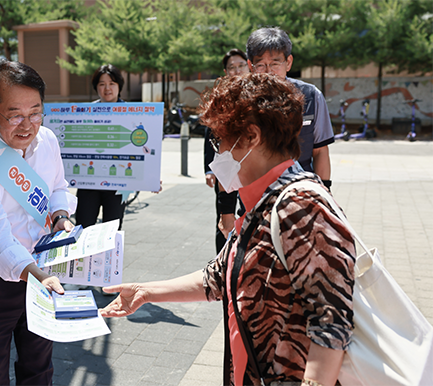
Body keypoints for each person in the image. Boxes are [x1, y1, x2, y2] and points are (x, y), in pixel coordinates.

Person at [101, 73, 355, 386]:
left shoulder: (302, 205)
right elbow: (219, 276)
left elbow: (332, 323)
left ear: (251, 136)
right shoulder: (262, 200)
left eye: (220, 140)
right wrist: (146, 292)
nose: (217, 153)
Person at [0, 59, 75, 386]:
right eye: (15, 115)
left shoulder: (47, 139)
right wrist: (37, 276)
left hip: (40, 264)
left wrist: (61, 216)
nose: (28, 125)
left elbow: (58, 187)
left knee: (39, 365)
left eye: (35, 112)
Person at [245, 27, 334, 184]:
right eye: (261, 65)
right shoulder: (242, 101)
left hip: (302, 190)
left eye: (275, 63)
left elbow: (320, 151)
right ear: (251, 66)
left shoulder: (312, 96)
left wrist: (325, 189)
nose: (268, 72)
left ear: (289, 63)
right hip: (257, 193)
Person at [204, 48, 250, 254]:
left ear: (249, 66)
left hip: (252, 168)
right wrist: (209, 169)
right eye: (232, 67)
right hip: (226, 168)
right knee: (225, 216)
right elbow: (211, 137)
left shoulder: (258, 95)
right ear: (225, 72)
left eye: (241, 65)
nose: (237, 70)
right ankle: (222, 262)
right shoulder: (220, 98)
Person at [75, 64, 127, 230]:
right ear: (96, 87)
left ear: (119, 86)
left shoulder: (135, 113)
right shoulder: (85, 114)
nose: (107, 88)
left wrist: (151, 178)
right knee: (82, 229)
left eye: (112, 83)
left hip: (119, 184)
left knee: (112, 232)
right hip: (88, 182)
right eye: (102, 84)